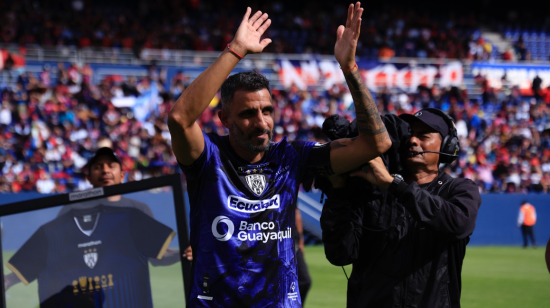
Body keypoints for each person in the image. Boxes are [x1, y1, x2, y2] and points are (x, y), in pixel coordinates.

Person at [168, 3, 392, 306]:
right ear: (223, 119)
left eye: (267, 111)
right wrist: (235, 50)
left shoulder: (291, 156)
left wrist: (349, 69)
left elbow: (375, 144)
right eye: (247, 114)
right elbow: (180, 119)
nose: (261, 123)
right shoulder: (208, 158)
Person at [320, 108, 482, 308]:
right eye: (410, 135)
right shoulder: (373, 189)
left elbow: (457, 223)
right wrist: (338, 191)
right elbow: (340, 254)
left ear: (448, 146)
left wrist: (393, 185)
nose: (413, 141)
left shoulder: (460, 189)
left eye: (423, 135)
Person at [4, 147, 190, 290]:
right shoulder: (72, 209)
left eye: (111, 165)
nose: (105, 170)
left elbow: (156, 256)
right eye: (98, 167)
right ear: (89, 177)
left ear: (122, 175)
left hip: (128, 296)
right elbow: (49, 253)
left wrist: (184, 253)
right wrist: (8, 280)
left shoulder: (137, 209)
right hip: (85, 298)